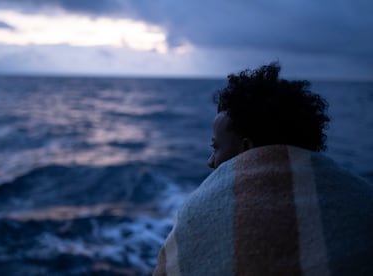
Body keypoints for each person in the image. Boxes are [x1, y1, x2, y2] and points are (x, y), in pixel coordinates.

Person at [153, 63, 373, 275]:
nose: (210, 161)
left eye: (215, 147)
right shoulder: (363, 200)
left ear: (246, 148)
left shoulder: (198, 214)